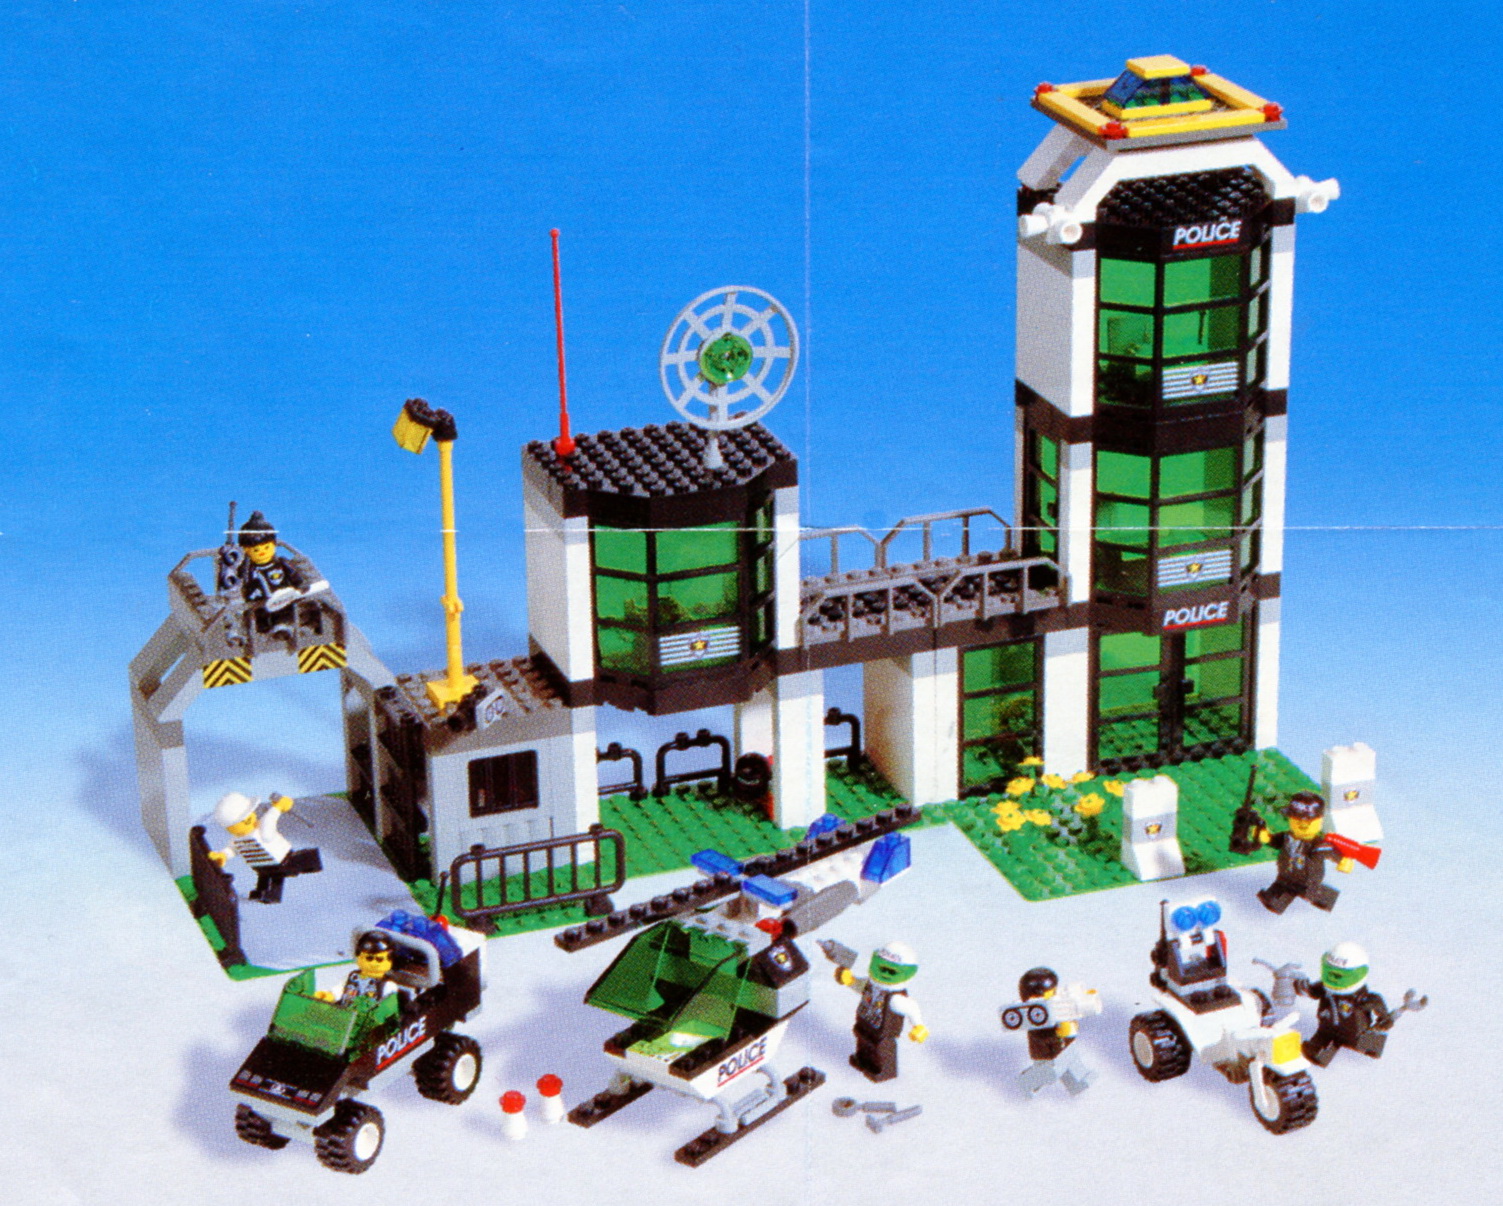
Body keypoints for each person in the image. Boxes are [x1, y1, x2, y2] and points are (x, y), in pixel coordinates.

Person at [1294, 942, 1426, 1066]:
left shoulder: (1365, 998)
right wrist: (1297, 983)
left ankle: (1369, 1049)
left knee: (1368, 1047)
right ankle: (1322, 1052)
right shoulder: (1325, 987)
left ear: (1358, 974)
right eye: (1330, 973)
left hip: (1356, 1033)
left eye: (1339, 975)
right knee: (1317, 1052)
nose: (1333, 979)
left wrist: (1385, 1020)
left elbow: (1380, 1009)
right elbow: (1311, 991)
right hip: (1327, 1029)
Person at [835, 942, 928, 1083]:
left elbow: (912, 1008)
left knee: (881, 1050)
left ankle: (883, 1070)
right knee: (862, 1041)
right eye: (881, 968)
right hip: (865, 1023)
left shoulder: (896, 998)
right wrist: (850, 980)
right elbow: (859, 986)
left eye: (891, 971)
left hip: (883, 1033)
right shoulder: (871, 985)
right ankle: (862, 1061)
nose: (885, 974)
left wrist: (918, 1026)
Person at [208, 790, 322, 904]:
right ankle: (269, 894)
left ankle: (267, 893)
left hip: (267, 864)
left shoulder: (241, 838)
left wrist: (223, 855)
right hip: (275, 862)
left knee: (273, 875)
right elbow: (266, 829)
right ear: (247, 818)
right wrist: (277, 808)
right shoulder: (250, 834)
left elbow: (233, 849)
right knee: (285, 870)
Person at [1254, 791, 1352, 914]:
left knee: (1312, 892)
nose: (1302, 824)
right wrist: (1265, 837)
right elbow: (1275, 841)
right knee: (1278, 892)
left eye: (1308, 821)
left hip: (1308, 880)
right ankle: (1276, 901)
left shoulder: (1318, 845)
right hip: (1285, 875)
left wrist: (1343, 860)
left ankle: (1328, 899)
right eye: (1296, 819)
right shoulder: (1287, 836)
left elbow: (1332, 852)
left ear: (1320, 821)